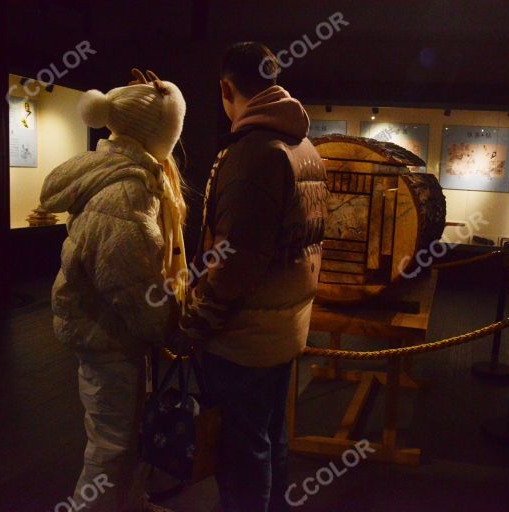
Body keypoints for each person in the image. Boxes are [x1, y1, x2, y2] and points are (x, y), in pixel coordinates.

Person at [180, 42, 328, 512]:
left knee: (242, 453)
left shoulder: (253, 154)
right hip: (284, 327)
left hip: (244, 336)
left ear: (226, 88)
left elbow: (235, 262)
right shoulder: (304, 146)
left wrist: (197, 323)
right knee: (268, 438)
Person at [40, 69, 188, 511]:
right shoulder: (124, 194)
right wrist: (173, 329)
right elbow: (130, 287)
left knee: (126, 435)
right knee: (109, 445)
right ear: (161, 135)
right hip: (107, 337)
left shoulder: (131, 176)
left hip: (115, 335)